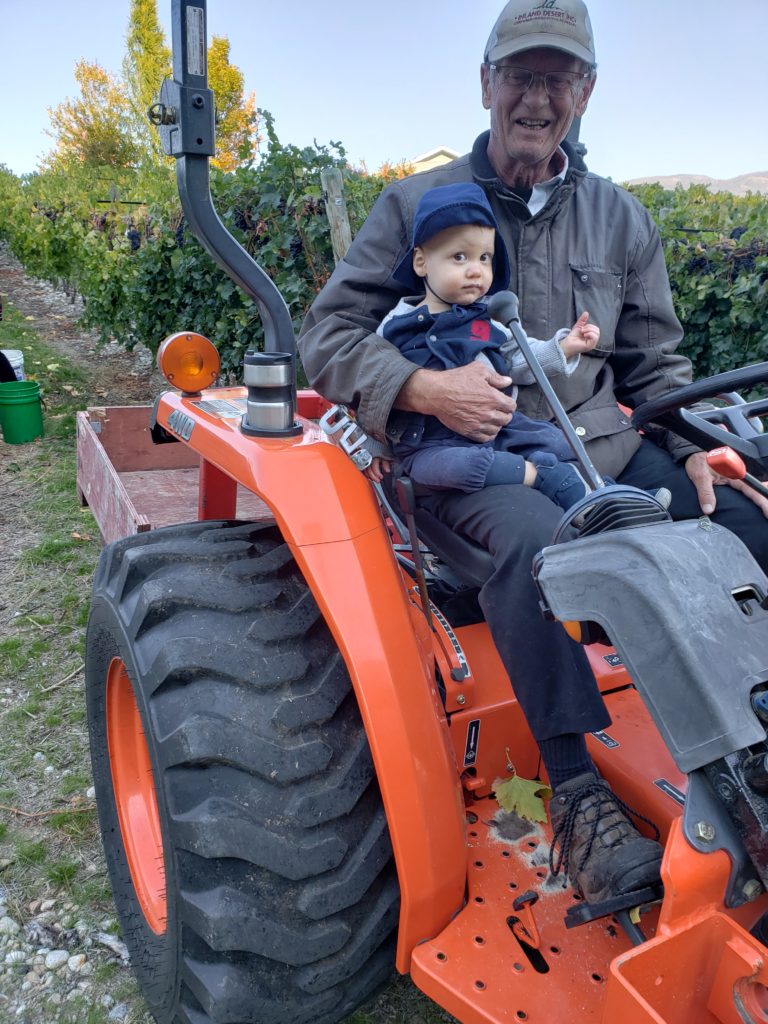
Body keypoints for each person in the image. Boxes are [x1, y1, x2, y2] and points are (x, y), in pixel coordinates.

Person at [298, 0, 768, 906]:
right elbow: (331, 332)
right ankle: (579, 797)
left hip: (602, 444)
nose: (537, 98)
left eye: (558, 78)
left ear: (585, 91)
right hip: (466, 453)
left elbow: (655, 362)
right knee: (542, 547)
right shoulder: (414, 206)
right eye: (521, 76)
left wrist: (695, 448)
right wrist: (422, 388)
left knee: (745, 521)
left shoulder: (622, 220)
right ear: (486, 83)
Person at [371, 181, 600, 513]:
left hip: (500, 428)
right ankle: (543, 476)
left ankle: (605, 491)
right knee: (455, 468)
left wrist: (564, 347)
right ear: (421, 262)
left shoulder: (486, 324)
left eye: (485, 257)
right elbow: (378, 390)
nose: (476, 269)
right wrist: (375, 443)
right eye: (459, 256)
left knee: (557, 439)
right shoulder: (397, 326)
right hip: (430, 444)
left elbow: (521, 358)